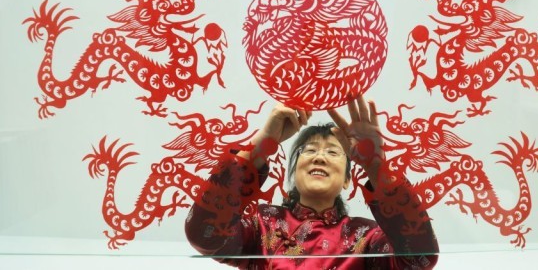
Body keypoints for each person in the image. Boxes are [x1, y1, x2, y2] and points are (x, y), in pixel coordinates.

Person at [185, 95, 439, 269]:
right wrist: (262, 144)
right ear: (294, 172)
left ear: (347, 180)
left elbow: (421, 259)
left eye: (332, 152)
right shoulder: (261, 225)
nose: (319, 157)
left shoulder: (366, 236)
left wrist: (376, 166)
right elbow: (204, 235)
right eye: (309, 151)